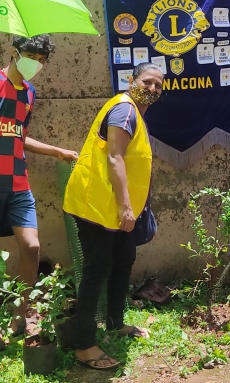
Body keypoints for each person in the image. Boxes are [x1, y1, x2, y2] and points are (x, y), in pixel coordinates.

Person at [0, 34, 78, 349]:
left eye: (41, 59)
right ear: (15, 52)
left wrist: (56, 151)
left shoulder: (30, 93)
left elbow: (19, 136)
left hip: (18, 182)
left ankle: (20, 312)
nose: (35, 63)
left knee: (32, 246)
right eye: (31, 55)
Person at [62, 62, 163, 370]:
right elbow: (115, 156)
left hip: (112, 207)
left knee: (123, 260)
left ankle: (115, 322)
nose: (153, 89)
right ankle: (85, 346)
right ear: (131, 80)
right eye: (147, 82)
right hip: (99, 206)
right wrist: (125, 206)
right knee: (97, 270)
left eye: (159, 86)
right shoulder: (124, 110)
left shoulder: (133, 111)